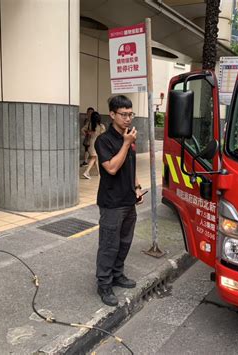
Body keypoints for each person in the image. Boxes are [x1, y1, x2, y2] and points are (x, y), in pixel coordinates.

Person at [94, 95, 144, 306]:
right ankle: (104, 284)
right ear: (112, 114)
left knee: (124, 242)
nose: (128, 118)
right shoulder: (104, 140)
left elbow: (129, 166)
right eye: (123, 114)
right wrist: (126, 143)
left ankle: (117, 274)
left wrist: (137, 187)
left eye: (130, 114)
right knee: (109, 245)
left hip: (127, 200)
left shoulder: (128, 137)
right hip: (111, 202)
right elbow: (112, 168)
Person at [81, 111, 105, 179]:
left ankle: (99, 173)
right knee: (94, 158)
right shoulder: (101, 126)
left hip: (90, 142)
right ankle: (86, 172)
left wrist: (87, 134)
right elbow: (103, 135)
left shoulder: (89, 124)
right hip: (97, 143)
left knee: (96, 158)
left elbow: (82, 129)